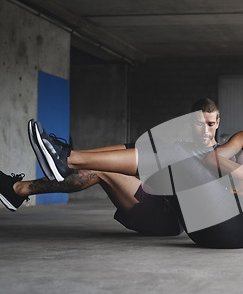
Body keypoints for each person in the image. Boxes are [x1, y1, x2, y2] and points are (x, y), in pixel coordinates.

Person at [3, 77, 243, 248]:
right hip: (203, 213)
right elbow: (209, 160)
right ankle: (45, 173)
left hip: (237, 227)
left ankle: (67, 158)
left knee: (176, 152)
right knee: (173, 151)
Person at [0, 98, 221, 237]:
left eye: (210, 124)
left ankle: (23, 186)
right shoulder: (181, 146)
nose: (204, 131)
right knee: (141, 149)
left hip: (169, 218)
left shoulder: (220, 156)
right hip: (153, 199)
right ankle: (66, 158)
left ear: (217, 123)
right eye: (198, 124)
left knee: (101, 171)